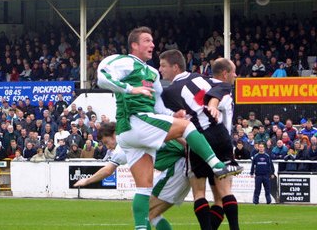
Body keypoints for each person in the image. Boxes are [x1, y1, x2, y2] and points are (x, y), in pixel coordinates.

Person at [97, 27, 237, 230]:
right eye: (147, 41)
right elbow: (102, 77)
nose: (152, 44)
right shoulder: (124, 61)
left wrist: (173, 115)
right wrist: (131, 89)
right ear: (134, 45)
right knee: (187, 126)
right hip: (135, 121)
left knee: (144, 189)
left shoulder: (152, 73)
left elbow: (158, 106)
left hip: (133, 133)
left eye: (152, 41)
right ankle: (215, 163)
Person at [159, 51, 242, 230]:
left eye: (163, 66)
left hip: (199, 138)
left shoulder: (169, 93)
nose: (160, 70)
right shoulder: (202, 78)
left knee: (199, 192)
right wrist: (212, 104)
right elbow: (224, 87)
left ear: (175, 67)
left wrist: (184, 138)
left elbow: (169, 120)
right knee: (224, 193)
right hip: (221, 135)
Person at [74, 122, 190, 230]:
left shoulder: (124, 144)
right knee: (151, 213)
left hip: (175, 169)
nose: (107, 147)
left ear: (114, 134)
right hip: (181, 166)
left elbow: (108, 170)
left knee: (142, 209)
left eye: (106, 142)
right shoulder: (136, 131)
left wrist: (87, 180)